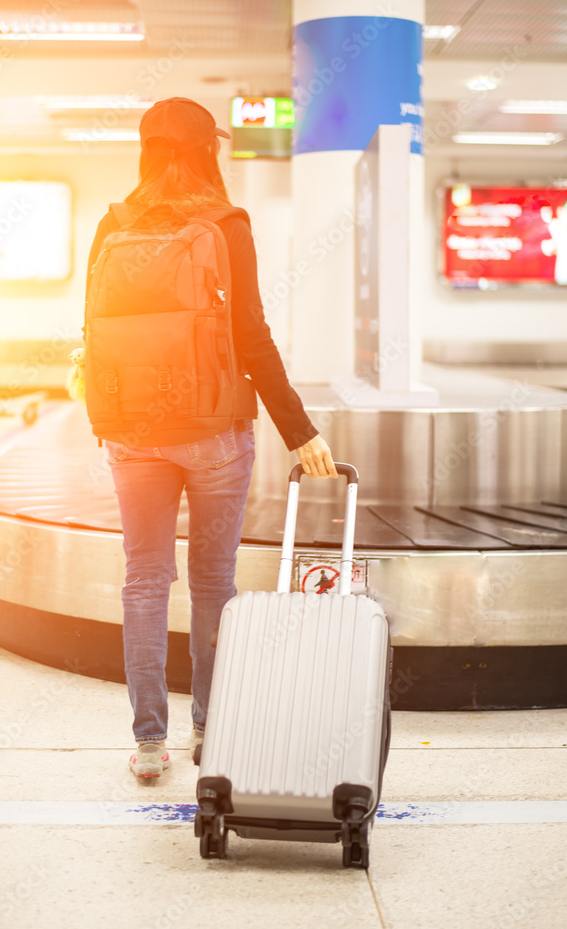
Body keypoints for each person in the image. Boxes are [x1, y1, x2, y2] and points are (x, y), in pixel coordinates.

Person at [85, 97, 337, 779]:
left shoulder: (112, 224)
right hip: (216, 433)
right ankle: (210, 731)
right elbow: (251, 337)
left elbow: (92, 335)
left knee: (143, 582)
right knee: (210, 582)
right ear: (207, 151)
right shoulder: (226, 223)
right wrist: (300, 430)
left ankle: (147, 742)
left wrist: (105, 422)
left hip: (134, 437)